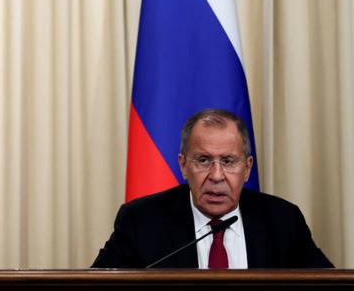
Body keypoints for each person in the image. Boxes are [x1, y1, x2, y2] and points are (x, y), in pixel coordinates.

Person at [92, 108, 333, 268]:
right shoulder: (141, 221)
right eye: (203, 160)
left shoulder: (283, 221)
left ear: (247, 168)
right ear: (183, 166)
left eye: (228, 161)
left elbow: (328, 286)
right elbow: (96, 289)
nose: (216, 176)